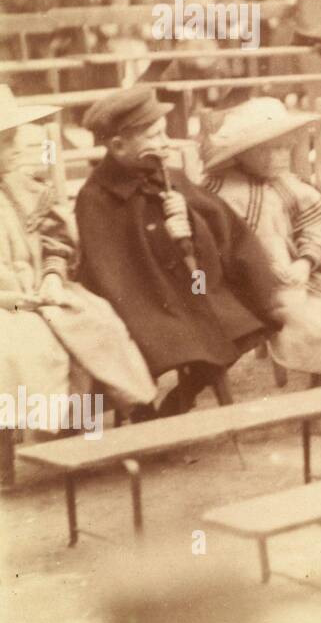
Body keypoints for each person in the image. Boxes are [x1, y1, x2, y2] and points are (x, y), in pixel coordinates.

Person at [76, 87, 283, 416]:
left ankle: (183, 397)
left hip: (192, 286)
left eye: (164, 134)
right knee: (173, 339)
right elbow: (110, 273)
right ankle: (142, 410)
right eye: (155, 136)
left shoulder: (170, 179)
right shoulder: (95, 198)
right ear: (118, 147)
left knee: (243, 321)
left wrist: (188, 221)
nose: (166, 143)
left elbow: (224, 228)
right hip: (138, 303)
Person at [200, 98, 321, 432]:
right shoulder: (220, 192)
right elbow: (213, 247)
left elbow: (319, 230)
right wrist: (259, 272)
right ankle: (318, 410)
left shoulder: (288, 186)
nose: (279, 157)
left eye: (284, 148)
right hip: (241, 285)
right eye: (267, 150)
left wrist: (307, 261)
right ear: (241, 153)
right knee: (316, 326)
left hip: (293, 274)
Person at [0, 88, 155, 435]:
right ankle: (49, 432)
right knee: (32, 348)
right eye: (6, 143)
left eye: (13, 140)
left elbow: (55, 236)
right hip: (7, 304)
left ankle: (123, 408)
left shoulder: (22, 188)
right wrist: (13, 299)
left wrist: (53, 275)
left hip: (43, 287)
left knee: (99, 321)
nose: (15, 151)